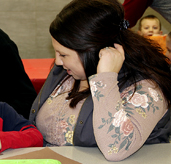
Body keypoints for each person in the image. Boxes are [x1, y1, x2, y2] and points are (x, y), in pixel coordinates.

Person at [29, 0, 171, 161]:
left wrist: (105, 79)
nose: (58, 62)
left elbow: (116, 150)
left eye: (63, 55)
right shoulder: (70, 72)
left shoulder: (146, 89)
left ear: (92, 51)